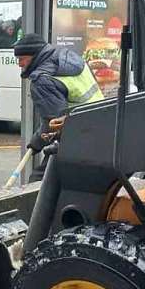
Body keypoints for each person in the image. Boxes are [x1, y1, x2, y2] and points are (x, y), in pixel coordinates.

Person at [13, 33, 105, 181]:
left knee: (39, 181)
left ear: (34, 56)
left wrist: (37, 142)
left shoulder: (42, 80)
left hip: (77, 134)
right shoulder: (68, 57)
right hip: (98, 125)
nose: (19, 64)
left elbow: (54, 123)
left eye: (22, 59)